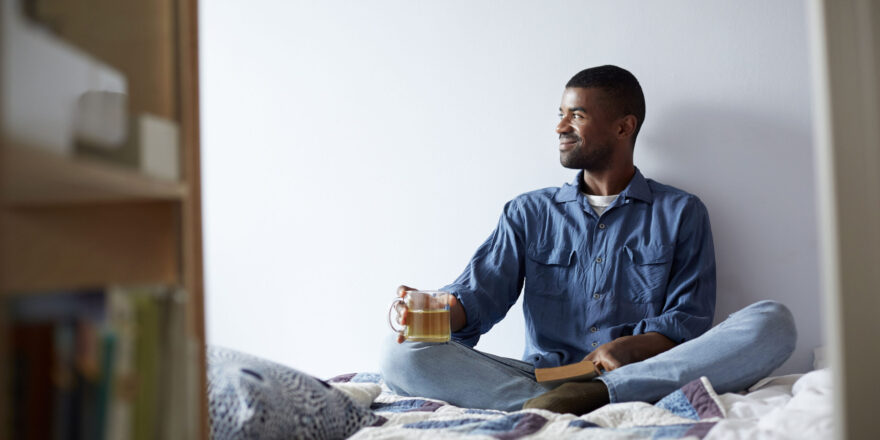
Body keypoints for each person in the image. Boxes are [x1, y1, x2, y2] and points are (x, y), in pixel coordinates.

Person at [380, 65, 796, 415]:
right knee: (401, 355)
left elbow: (688, 320)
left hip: (642, 369)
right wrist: (436, 314)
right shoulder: (528, 212)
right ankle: (550, 402)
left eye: (575, 115)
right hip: (545, 377)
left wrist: (631, 349)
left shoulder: (682, 212)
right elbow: (477, 299)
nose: (560, 126)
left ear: (623, 126)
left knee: (772, 322)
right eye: (560, 113)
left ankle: (600, 394)